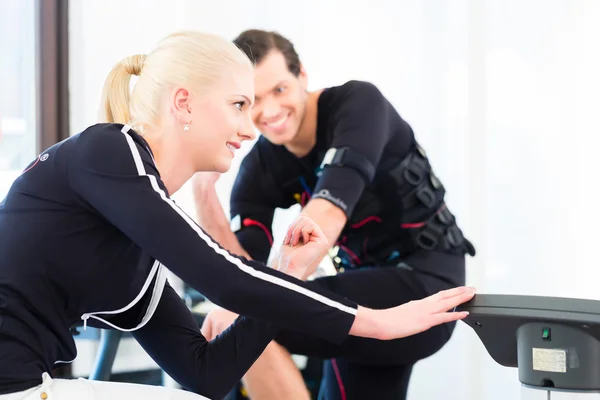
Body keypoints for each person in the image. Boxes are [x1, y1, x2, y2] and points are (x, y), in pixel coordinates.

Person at [0, 30, 475, 400]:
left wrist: (287, 271)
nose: (252, 127)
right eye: (239, 105)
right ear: (184, 102)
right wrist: (376, 322)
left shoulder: (137, 255)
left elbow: (206, 372)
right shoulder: (107, 148)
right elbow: (227, 277)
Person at [194, 29, 477, 400]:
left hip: (426, 286)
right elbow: (244, 270)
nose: (270, 111)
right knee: (246, 310)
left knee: (242, 320)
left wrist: (257, 300)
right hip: (359, 294)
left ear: (302, 76)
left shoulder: (358, 106)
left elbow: (326, 215)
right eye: (252, 101)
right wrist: (203, 192)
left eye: (279, 90)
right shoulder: (259, 168)